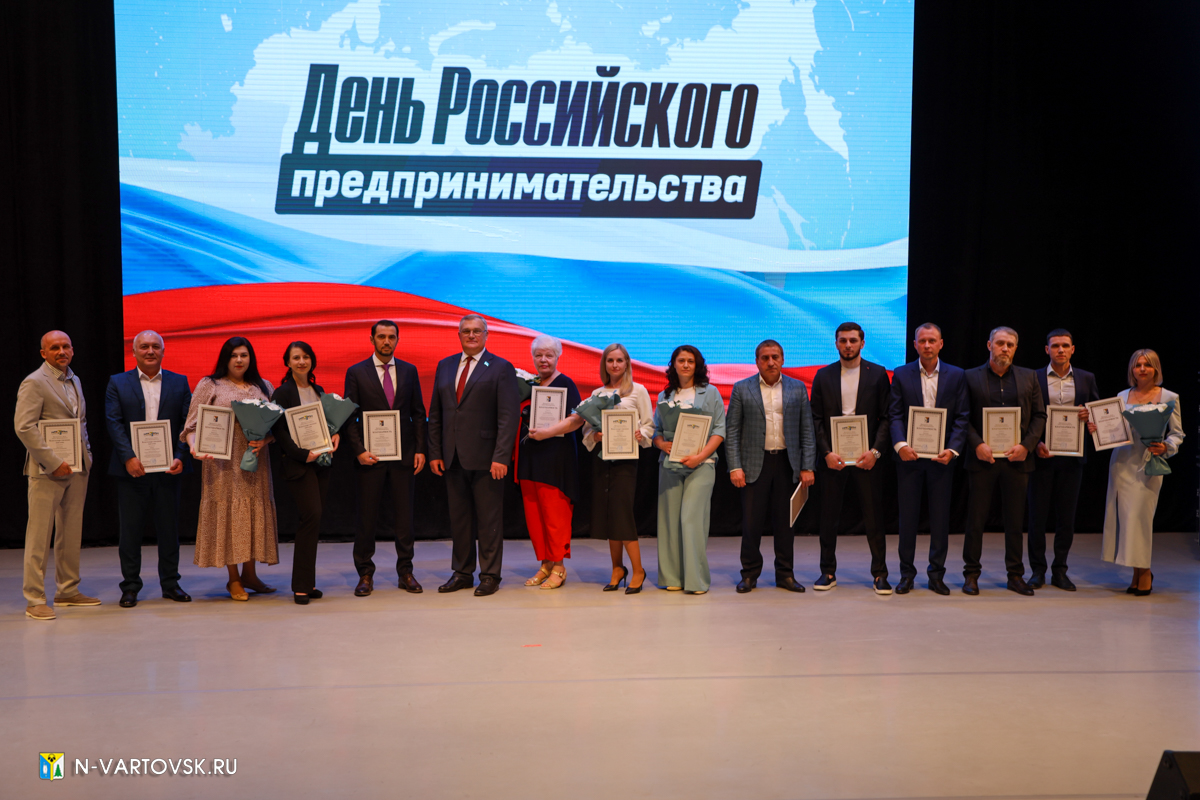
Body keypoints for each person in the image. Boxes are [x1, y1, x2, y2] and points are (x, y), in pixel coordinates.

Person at [530, 343, 655, 594]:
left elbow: (649, 425)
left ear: (627, 364)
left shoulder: (638, 390)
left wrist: (640, 433)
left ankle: (638, 570)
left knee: (623, 515)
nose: (615, 365)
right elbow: (586, 430)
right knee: (609, 516)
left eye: (619, 360)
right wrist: (594, 436)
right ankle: (617, 569)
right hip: (602, 459)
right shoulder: (596, 394)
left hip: (626, 460)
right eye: (610, 360)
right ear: (604, 364)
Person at [428, 314, 519, 596]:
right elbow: (437, 413)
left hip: (487, 458)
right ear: (458, 335)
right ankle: (462, 573)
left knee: (489, 520)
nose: (471, 335)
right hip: (452, 456)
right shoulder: (445, 365)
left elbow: (508, 416)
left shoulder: (501, 367)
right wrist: (435, 451)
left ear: (486, 335)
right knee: (460, 520)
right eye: (466, 331)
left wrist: (501, 456)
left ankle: (490, 575)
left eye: (477, 331)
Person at [182, 336, 279, 601]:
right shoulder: (210, 384)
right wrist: (193, 446)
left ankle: (250, 575)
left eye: (244, 355)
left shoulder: (264, 386)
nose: (239, 360)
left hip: (256, 463)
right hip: (222, 464)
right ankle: (233, 578)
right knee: (230, 515)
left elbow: (277, 428)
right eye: (234, 355)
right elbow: (191, 426)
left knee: (252, 513)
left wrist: (266, 440)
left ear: (251, 358)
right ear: (226, 358)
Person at [104, 330, 192, 608]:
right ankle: (130, 586)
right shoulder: (117, 382)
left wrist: (180, 456)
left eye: (155, 346)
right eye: (144, 346)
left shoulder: (180, 382)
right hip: (131, 470)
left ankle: (171, 584)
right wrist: (128, 457)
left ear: (163, 351)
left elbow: (187, 423)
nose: (150, 351)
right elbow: (113, 423)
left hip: (169, 469)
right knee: (130, 532)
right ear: (134, 352)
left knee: (169, 530)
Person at [15, 331, 99, 620]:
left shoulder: (75, 380)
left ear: (72, 350)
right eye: (54, 348)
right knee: (39, 536)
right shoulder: (35, 381)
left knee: (71, 532)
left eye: (65, 346)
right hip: (46, 471)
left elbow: (80, 422)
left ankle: (68, 590)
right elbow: (24, 427)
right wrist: (52, 462)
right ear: (44, 353)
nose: (61, 351)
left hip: (77, 468)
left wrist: (86, 455)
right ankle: (34, 598)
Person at [343, 321, 427, 597]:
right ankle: (365, 573)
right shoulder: (356, 372)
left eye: (391, 337)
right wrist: (359, 451)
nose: (386, 341)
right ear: (372, 339)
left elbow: (418, 413)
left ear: (397, 340)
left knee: (405, 518)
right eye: (381, 336)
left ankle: (406, 572)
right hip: (371, 457)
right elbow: (349, 416)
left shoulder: (409, 370)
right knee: (367, 518)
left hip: (404, 456)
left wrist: (420, 449)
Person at [809, 322, 894, 594]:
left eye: (853, 340)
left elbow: (887, 417)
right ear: (836, 343)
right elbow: (815, 418)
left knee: (874, 517)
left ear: (862, 343)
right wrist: (826, 452)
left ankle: (880, 574)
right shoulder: (823, 375)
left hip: (866, 457)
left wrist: (875, 452)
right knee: (828, 517)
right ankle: (827, 572)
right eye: (843, 340)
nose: (848, 345)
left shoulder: (878, 374)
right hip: (833, 458)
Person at [726, 339, 816, 593]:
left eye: (775, 357)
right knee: (751, 524)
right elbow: (732, 431)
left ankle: (785, 574)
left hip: (788, 463)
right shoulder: (742, 388)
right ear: (757, 362)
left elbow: (807, 430)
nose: (770, 362)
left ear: (782, 360)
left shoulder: (797, 388)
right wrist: (734, 466)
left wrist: (808, 466)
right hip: (754, 463)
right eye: (765, 358)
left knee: (786, 524)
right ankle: (749, 575)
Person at [962, 326, 1046, 596]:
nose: (1005, 349)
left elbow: (1039, 416)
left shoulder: (1029, 377)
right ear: (989, 345)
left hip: (1017, 459)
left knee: (1015, 521)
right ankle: (971, 574)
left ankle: (1015, 575)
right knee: (976, 520)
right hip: (982, 459)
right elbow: (962, 416)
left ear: (1016, 348)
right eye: (1000, 343)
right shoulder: (970, 377)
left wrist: (1026, 446)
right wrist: (977, 444)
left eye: (1010, 344)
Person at [887, 323, 970, 595]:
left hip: (941, 458)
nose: (927, 345)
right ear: (914, 344)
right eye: (922, 341)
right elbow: (894, 414)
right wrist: (900, 445)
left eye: (932, 340)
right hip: (908, 457)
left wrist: (953, 450)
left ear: (941, 344)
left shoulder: (956, 375)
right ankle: (906, 575)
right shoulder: (901, 374)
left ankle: (936, 575)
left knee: (940, 519)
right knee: (907, 519)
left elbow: (962, 417)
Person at [1100, 349, 1184, 595]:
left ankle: (1145, 571)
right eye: (1138, 365)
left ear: (1156, 369)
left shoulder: (1169, 397)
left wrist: (1166, 447)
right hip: (1121, 462)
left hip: (1148, 463)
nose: (1142, 369)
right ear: (1132, 370)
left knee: (1140, 518)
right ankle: (1136, 573)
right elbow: (1114, 429)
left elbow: (1177, 433)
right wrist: (1098, 428)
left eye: (1147, 365)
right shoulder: (1122, 395)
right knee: (1126, 519)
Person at [1026, 328, 1099, 591]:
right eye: (1055, 346)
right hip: (1041, 455)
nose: (1060, 350)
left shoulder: (1086, 378)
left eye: (1065, 346)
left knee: (1066, 519)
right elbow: (1026, 416)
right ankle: (1037, 571)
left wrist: (1090, 418)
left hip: (1072, 458)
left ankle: (1060, 570)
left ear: (1072, 349)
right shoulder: (1033, 377)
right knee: (1037, 518)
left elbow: (1097, 416)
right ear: (1047, 349)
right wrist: (1034, 444)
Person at [653, 345, 726, 594]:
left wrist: (701, 456)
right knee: (669, 521)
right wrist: (662, 444)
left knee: (691, 519)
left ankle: (696, 581)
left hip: (702, 464)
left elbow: (719, 430)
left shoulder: (711, 392)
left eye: (690, 361)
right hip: (670, 463)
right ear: (673, 364)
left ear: (698, 365)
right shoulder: (665, 395)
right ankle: (672, 577)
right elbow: (656, 432)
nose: (685, 365)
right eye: (681, 360)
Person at [272, 342, 341, 605]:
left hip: (321, 462)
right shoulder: (282, 393)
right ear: (288, 362)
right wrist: (302, 455)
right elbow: (279, 432)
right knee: (310, 515)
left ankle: (307, 582)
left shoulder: (318, 390)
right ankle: (301, 586)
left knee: (314, 519)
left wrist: (335, 434)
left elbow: (325, 424)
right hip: (298, 463)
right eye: (296, 358)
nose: (302, 361)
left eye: (306, 357)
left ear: (312, 360)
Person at [514, 335, 581, 589]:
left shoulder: (566, 383)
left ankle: (559, 567)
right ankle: (545, 564)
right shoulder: (530, 385)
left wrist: (547, 432)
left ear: (557, 356)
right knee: (535, 516)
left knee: (555, 515)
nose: (543, 360)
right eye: (539, 355)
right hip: (530, 458)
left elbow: (577, 419)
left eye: (548, 355)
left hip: (556, 459)